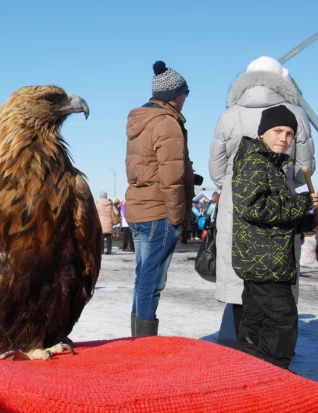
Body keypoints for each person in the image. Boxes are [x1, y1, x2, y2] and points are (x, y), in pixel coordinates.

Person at [208, 56, 315, 347]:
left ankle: (239, 347)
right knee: (275, 285)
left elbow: (216, 169)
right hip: (279, 209)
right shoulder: (296, 113)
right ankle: (273, 355)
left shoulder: (229, 114)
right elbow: (305, 168)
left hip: (235, 206)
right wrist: (279, 184)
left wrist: (235, 186)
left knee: (239, 284)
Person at [232, 105, 318, 369]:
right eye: (278, 131)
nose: (284, 138)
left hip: (266, 257)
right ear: (263, 132)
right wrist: (301, 202)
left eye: (290, 133)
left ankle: (253, 372)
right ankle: (275, 374)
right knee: (281, 320)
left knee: (257, 318)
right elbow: (253, 206)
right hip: (265, 260)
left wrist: (307, 220)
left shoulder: (268, 162)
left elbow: (272, 212)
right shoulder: (255, 161)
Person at [125, 60, 194, 337]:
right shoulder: (166, 123)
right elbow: (171, 174)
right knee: (152, 280)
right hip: (159, 211)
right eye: (186, 93)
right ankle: (143, 341)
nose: (186, 99)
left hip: (139, 208)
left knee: (143, 277)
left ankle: (137, 338)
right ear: (176, 96)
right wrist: (178, 216)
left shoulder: (140, 121)